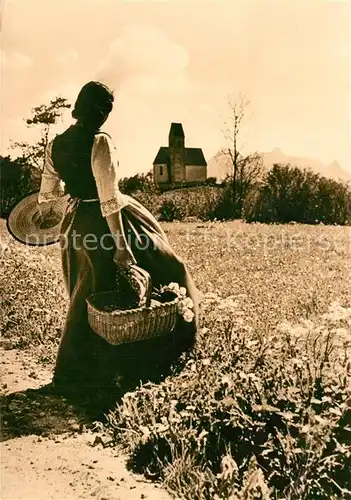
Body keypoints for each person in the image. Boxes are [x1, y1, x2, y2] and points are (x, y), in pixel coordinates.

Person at [38, 81, 200, 395]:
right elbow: (109, 198)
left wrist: (66, 212)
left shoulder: (55, 144)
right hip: (109, 223)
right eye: (105, 109)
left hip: (76, 225)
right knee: (168, 270)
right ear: (96, 110)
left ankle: (90, 372)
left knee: (91, 293)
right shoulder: (100, 142)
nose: (106, 116)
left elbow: (47, 195)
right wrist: (122, 246)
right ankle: (146, 364)